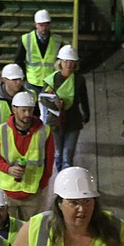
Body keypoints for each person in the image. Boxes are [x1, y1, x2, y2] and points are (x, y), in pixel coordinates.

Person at [0, 91, 55, 220]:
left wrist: (42, 186)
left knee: (29, 232)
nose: (27, 114)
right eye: (23, 111)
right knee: (7, 231)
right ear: (14, 109)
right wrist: (8, 169)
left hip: (33, 194)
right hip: (7, 192)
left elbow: (49, 161)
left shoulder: (44, 132)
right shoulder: (1, 131)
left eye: (30, 110)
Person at [41, 44, 90, 172]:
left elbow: (84, 97)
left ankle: (65, 187)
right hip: (55, 121)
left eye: (71, 61)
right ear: (60, 62)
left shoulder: (79, 80)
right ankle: (60, 181)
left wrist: (86, 114)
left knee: (67, 156)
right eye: (66, 61)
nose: (68, 64)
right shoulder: (52, 80)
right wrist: (55, 105)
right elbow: (43, 98)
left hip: (73, 120)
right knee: (58, 154)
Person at [14, 9, 63, 98]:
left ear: (49, 25)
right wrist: (23, 78)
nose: (44, 28)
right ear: (36, 24)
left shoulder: (57, 40)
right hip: (32, 82)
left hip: (50, 82)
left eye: (46, 25)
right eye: (41, 25)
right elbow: (18, 60)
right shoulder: (26, 39)